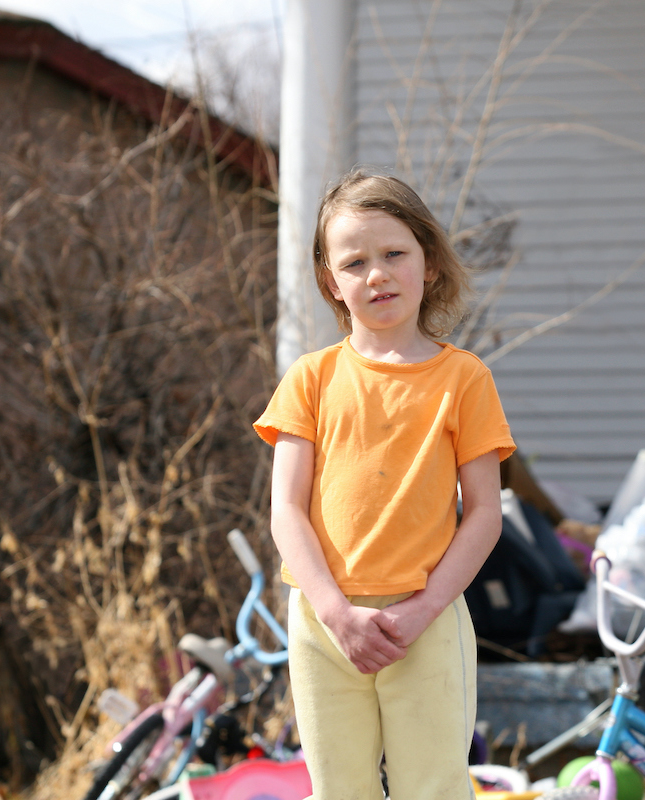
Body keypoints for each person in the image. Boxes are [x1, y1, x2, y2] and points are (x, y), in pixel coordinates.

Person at [253, 169, 515, 799]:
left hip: (426, 620)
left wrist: (424, 609)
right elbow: (285, 510)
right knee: (340, 791)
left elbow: (484, 514)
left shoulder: (464, 378)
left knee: (434, 788)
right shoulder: (311, 379)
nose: (377, 274)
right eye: (355, 262)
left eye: (394, 253)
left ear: (428, 263)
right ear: (330, 282)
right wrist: (335, 612)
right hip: (324, 623)